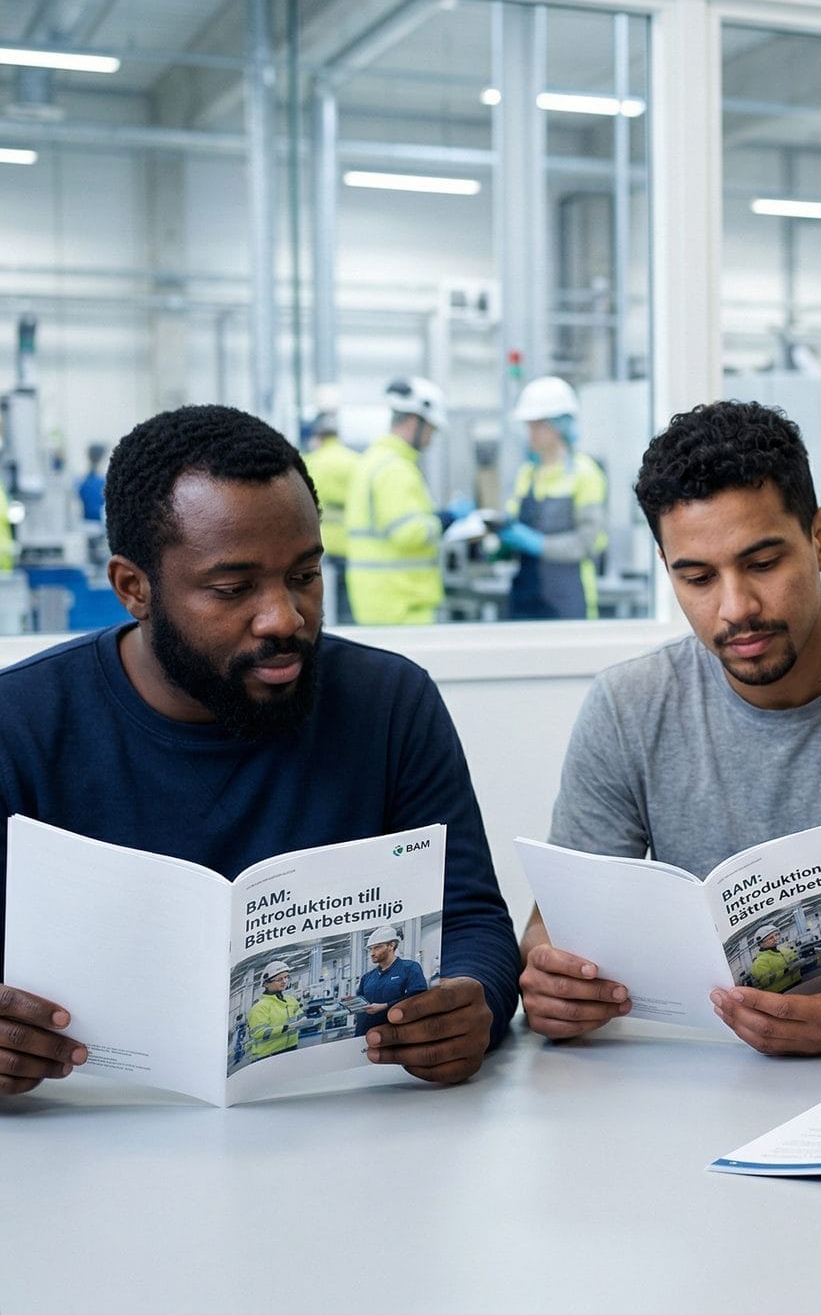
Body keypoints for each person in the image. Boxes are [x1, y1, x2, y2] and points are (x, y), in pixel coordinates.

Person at [0, 404, 520, 1097]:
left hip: (353, 1130)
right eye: (233, 589)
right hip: (83, 1134)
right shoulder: (21, 723)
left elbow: (474, 918)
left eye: (305, 575)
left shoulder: (392, 702)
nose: (284, 618)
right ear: (134, 588)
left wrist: (469, 1001)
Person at [518, 400, 821, 1056]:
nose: (736, 609)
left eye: (763, 563)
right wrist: (552, 984)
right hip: (708, 1072)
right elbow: (553, 933)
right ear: (667, 570)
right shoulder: (627, 707)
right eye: (697, 578)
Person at [497, 375, 608, 621]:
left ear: (560, 425)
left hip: (568, 599)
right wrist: (501, 540)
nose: (531, 433)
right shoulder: (527, 474)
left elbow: (587, 543)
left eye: (538, 425)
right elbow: (514, 523)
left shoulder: (585, 473)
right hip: (526, 597)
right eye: (529, 425)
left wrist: (537, 544)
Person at [345, 376, 446, 625]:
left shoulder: (371, 460)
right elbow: (408, 533)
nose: (430, 439)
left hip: (377, 601)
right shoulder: (395, 469)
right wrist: (444, 521)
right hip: (403, 604)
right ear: (414, 422)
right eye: (430, 430)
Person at [302, 393, 359, 625]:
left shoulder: (308, 462)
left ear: (318, 436)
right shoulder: (354, 462)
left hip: (318, 545)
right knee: (346, 605)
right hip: (349, 545)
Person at [354, 925, 429, 1036]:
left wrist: (386, 1005)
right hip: (365, 1034)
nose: (372, 953)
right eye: (370, 949)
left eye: (377, 947)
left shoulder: (410, 968)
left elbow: (418, 998)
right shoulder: (368, 977)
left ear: (391, 946)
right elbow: (360, 1002)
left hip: (397, 1033)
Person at [245, 959, 303, 1061]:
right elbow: (259, 1033)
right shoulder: (260, 1007)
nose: (284, 981)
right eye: (279, 979)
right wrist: (286, 1027)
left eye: (286, 977)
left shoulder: (291, 1000)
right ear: (266, 984)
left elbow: (300, 1019)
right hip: (267, 1055)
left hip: (291, 1048)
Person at [747, 925, 804, 994]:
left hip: (799, 984)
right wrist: (786, 970)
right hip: (780, 993)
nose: (776, 938)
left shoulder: (785, 951)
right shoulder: (759, 962)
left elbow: (797, 960)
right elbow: (765, 981)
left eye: (776, 935)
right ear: (760, 943)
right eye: (771, 938)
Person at [75, 443, 108, 524]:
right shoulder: (102, 482)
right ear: (102, 458)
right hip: (99, 524)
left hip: (85, 523)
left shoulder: (81, 481)